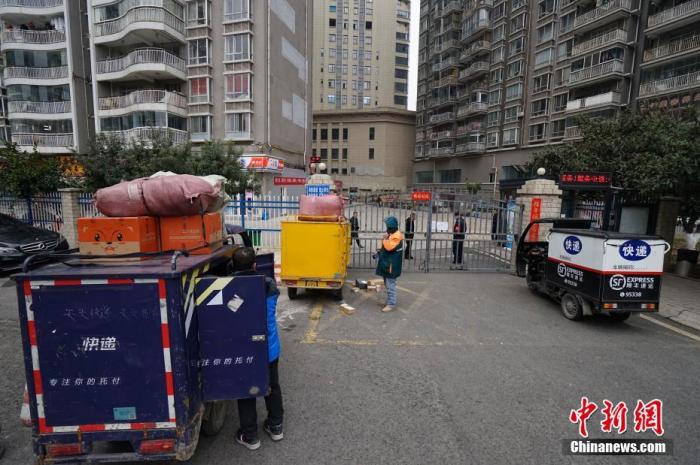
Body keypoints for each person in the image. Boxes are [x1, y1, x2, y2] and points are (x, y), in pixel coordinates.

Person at [229, 247, 284, 451]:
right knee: (272, 386)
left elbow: (231, 310)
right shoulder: (268, 284)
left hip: (245, 349)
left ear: (233, 266)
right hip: (269, 348)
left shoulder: (231, 287)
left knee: (246, 390)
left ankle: (250, 435)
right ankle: (276, 426)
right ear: (254, 265)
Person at [375, 216, 404, 312]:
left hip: (391, 265)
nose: (387, 227)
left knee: (390, 284)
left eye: (388, 226)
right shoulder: (392, 234)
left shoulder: (396, 236)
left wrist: (384, 239)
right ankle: (388, 301)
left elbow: (388, 247)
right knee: (387, 284)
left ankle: (391, 304)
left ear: (391, 226)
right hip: (387, 263)